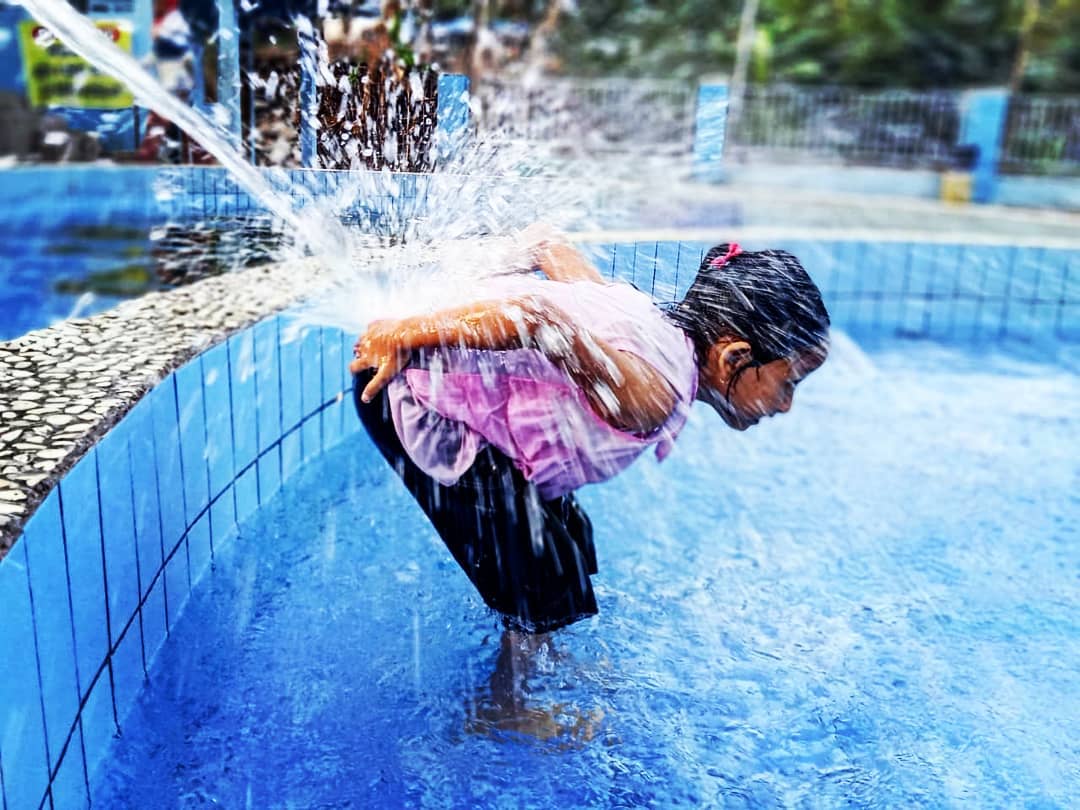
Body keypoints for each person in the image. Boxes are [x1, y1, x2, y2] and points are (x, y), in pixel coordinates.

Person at [349, 227, 830, 634]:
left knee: (571, 540)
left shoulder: (644, 319)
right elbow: (537, 321)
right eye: (788, 382)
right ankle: (513, 708)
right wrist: (401, 332)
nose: (786, 406)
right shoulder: (650, 396)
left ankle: (534, 662)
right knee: (546, 576)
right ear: (735, 357)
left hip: (440, 391)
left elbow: (547, 245)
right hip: (411, 397)